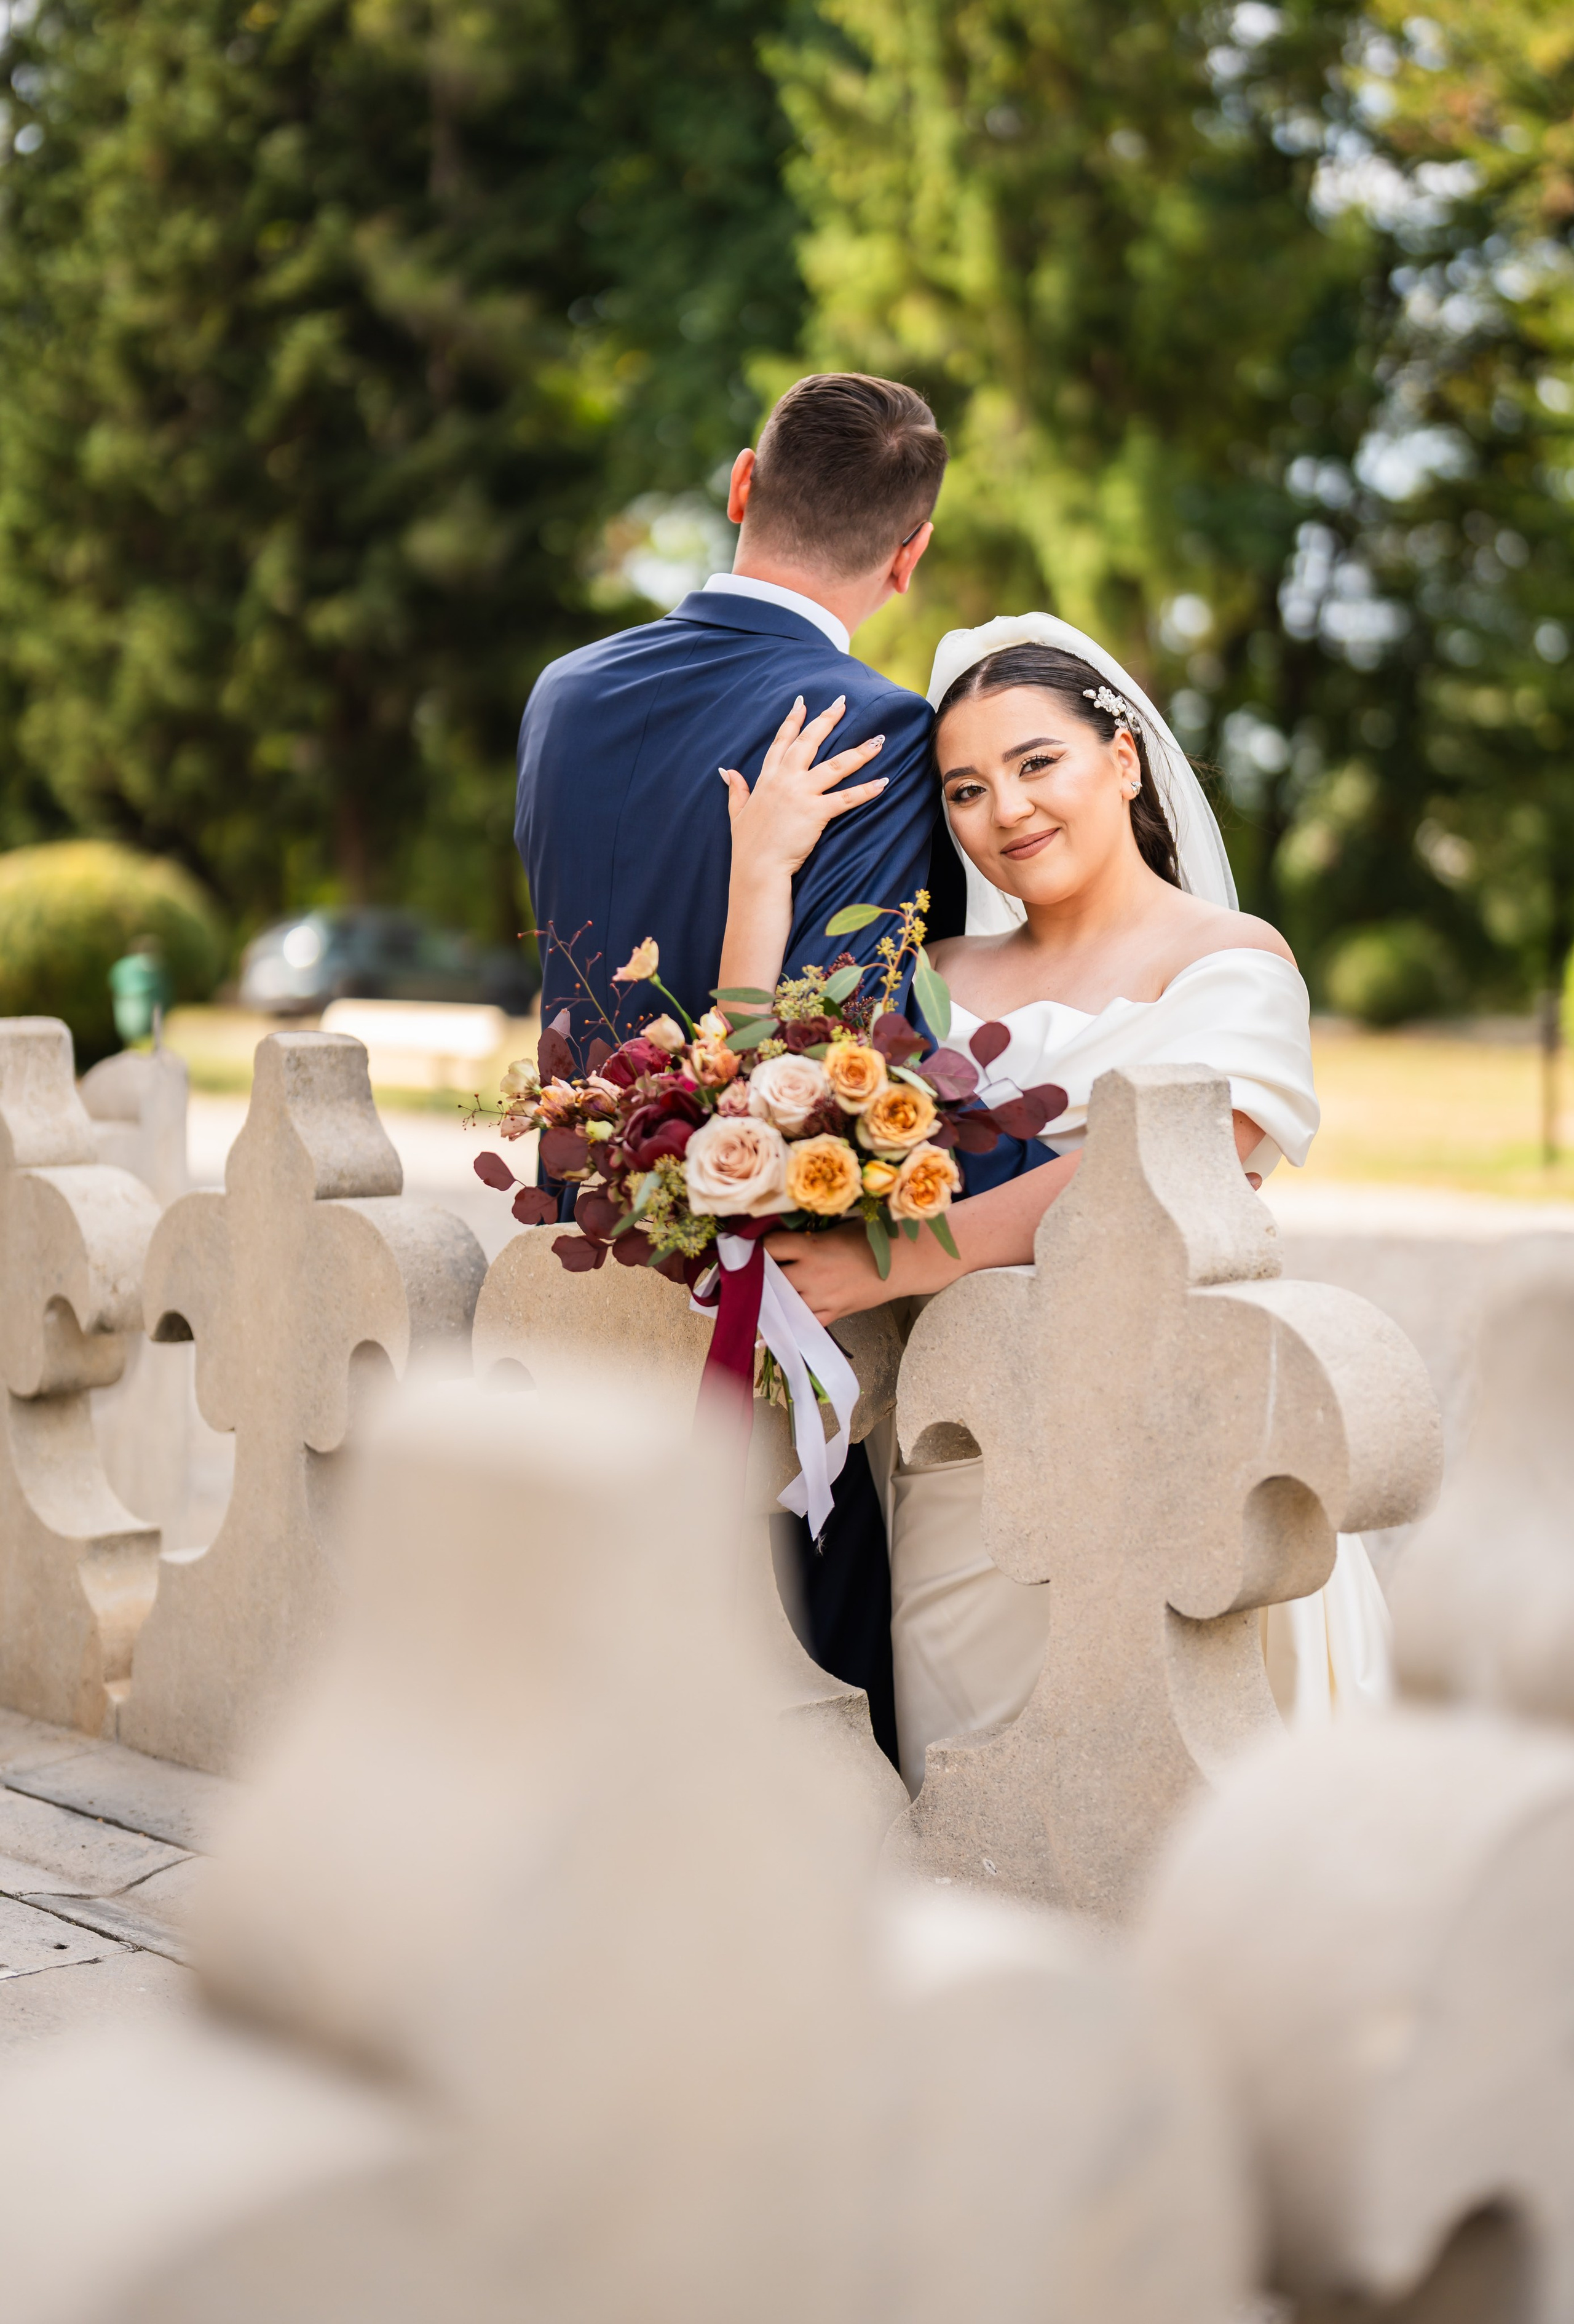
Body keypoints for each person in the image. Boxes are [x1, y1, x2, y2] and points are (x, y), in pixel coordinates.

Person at [722, 611, 1392, 1795]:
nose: (1008, 813)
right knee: (972, 1800)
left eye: (1040, 764)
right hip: (962, 1471)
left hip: (1159, 1454)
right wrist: (760, 870)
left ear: (1122, 759)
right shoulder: (938, 980)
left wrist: (900, 1262)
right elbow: (754, 1079)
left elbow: (1158, 1172)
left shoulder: (1231, 963)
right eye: (967, 790)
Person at [515, 372, 955, 1766]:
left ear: (739, 488)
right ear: (909, 554)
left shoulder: (564, 694)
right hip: (761, 1308)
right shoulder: (875, 731)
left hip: (571, 1265)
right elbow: (832, 1048)